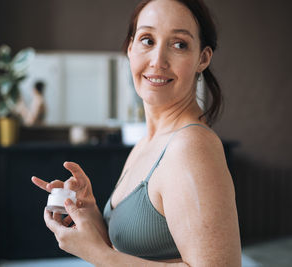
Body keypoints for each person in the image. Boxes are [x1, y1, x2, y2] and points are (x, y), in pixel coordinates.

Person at [32, 0, 241, 265]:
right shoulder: (147, 143)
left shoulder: (191, 146)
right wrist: (91, 214)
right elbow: (133, 255)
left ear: (203, 58)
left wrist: (98, 255)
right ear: (130, 49)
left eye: (179, 44)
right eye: (147, 40)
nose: (158, 61)